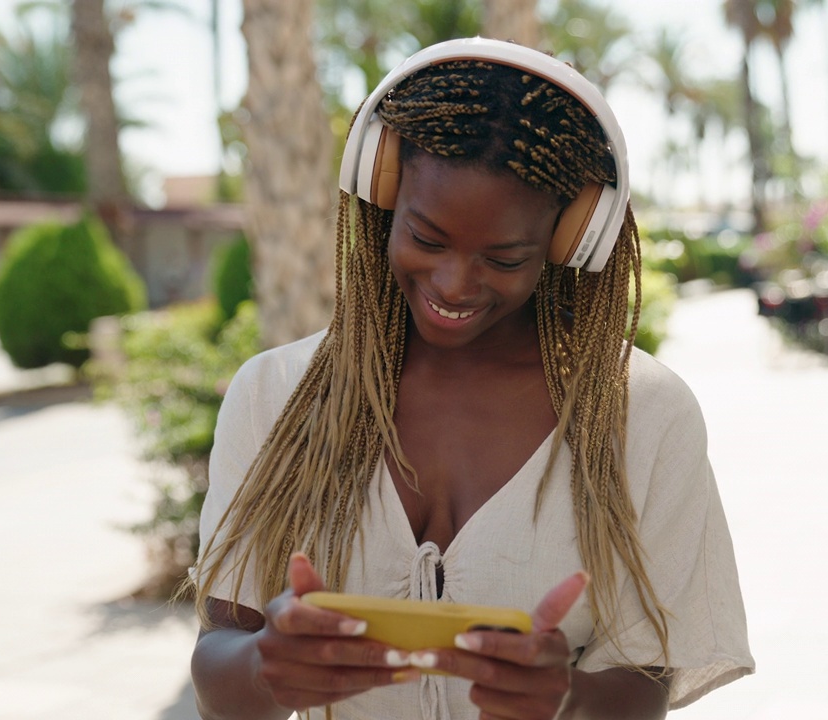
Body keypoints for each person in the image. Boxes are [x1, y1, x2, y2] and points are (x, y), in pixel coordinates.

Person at [188, 37, 754, 720]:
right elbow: (219, 661)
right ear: (382, 194)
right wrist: (265, 668)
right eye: (426, 239)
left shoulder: (644, 413)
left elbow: (645, 684)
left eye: (504, 257)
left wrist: (566, 701)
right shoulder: (273, 395)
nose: (455, 284)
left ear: (570, 236)